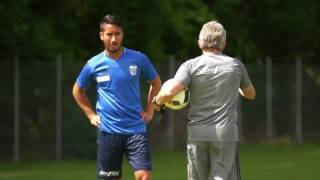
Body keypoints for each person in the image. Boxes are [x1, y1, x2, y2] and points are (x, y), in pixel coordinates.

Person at [153, 20, 256, 180]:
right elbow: (251, 94)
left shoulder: (190, 66)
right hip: (225, 134)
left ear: (200, 42)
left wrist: (158, 102)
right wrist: (236, 85)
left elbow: (168, 91)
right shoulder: (236, 66)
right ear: (224, 43)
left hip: (197, 134)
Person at [72, 14, 161, 180]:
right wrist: (91, 115)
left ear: (122, 34)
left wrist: (150, 110)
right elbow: (77, 90)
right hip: (108, 131)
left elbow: (156, 82)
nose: (114, 39)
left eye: (117, 34)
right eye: (109, 34)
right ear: (101, 35)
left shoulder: (138, 58)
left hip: (136, 129)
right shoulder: (93, 64)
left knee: (144, 177)